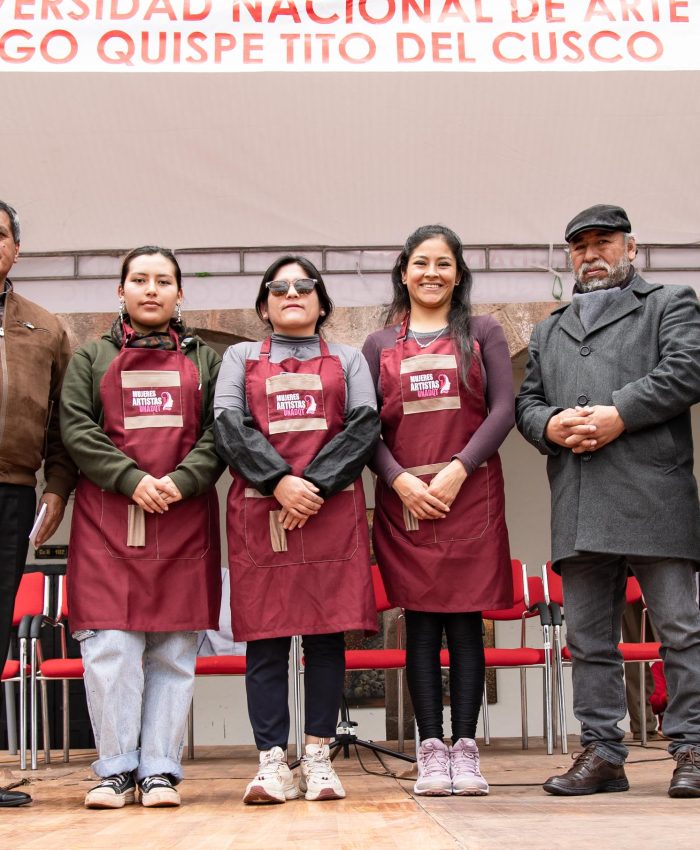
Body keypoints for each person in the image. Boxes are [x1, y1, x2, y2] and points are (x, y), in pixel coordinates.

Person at [516, 203, 700, 798]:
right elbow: (527, 402)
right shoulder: (549, 328)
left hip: (655, 493)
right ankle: (602, 753)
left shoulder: (670, 302)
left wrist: (620, 412)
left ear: (631, 248)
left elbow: (687, 370)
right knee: (589, 639)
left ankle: (693, 748)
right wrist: (549, 425)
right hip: (578, 498)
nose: (591, 255)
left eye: (604, 242)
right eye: (581, 246)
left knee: (681, 630)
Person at [60, 246, 223, 809]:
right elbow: (76, 429)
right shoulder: (90, 357)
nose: (151, 289)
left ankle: (159, 769)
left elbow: (220, 432)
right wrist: (130, 479)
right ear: (121, 290)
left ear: (180, 293)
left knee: (174, 650)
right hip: (107, 520)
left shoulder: (206, 361)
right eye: (139, 279)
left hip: (183, 518)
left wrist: (182, 480)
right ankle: (115, 769)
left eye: (163, 281)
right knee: (110, 648)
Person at [214, 255, 379, 804]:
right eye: (278, 287)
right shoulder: (239, 357)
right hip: (263, 514)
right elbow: (228, 424)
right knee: (266, 641)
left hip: (329, 512)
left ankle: (317, 758)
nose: (292, 293)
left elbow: (364, 427)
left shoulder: (349, 359)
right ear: (264, 306)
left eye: (304, 286)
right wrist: (280, 481)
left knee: (326, 638)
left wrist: (314, 487)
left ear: (321, 302)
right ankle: (271, 763)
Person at [362, 224, 514, 797]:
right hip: (405, 502)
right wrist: (398, 480)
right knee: (421, 624)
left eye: (443, 263)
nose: (432, 273)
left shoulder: (483, 331)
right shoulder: (378, 344)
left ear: (458, 274)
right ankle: (430, 748)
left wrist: (459, 468)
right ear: (404, 272)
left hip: (468, 495)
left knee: (467, 622)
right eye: (421, 263)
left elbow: (503, 410)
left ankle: (466, 749)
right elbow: (364, 427)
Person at [0, 200, 76, 808]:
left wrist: (56, 487)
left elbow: (63, 423)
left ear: (16, 249)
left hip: (11, 489)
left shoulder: (45, 327)